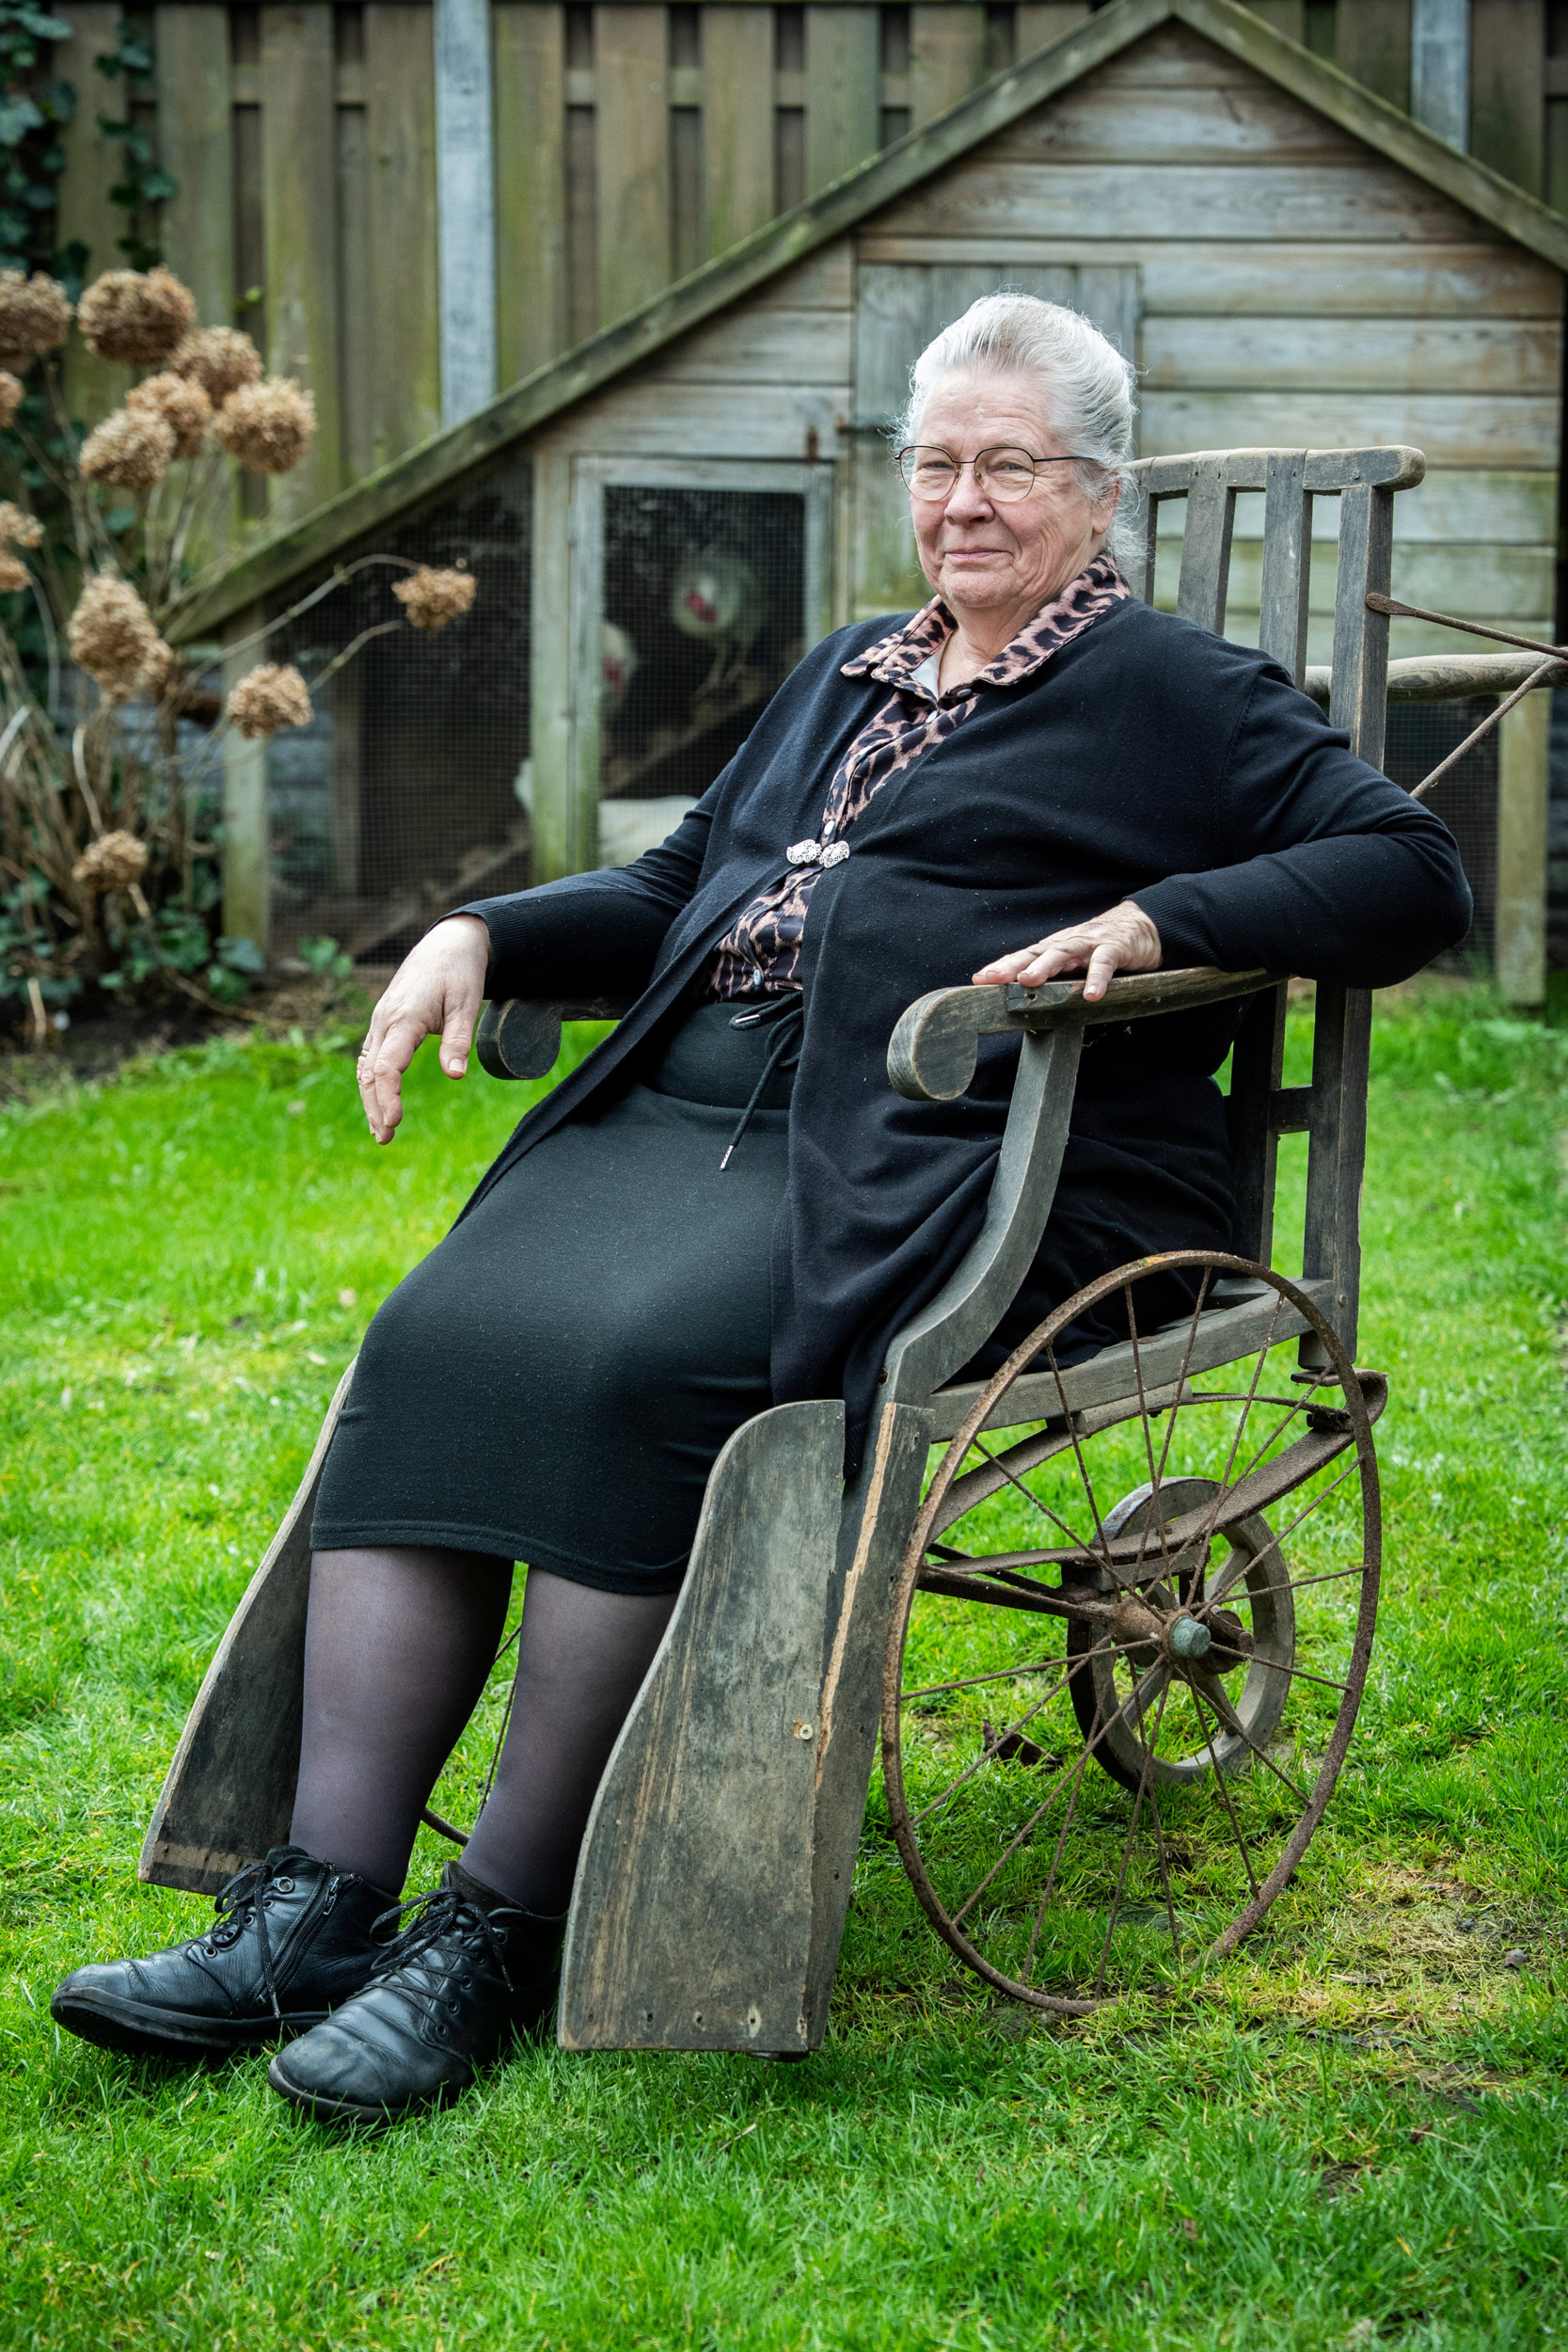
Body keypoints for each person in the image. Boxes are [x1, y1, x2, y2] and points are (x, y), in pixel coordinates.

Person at [52, 296, 1469, 2122]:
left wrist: (1166, 920)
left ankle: (498, 1922)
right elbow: (675, 886)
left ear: (1095, 493)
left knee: (647, 1363)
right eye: (935, 464)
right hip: (690, 1114)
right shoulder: (843, 672)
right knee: (438, 1332)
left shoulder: (1175, 692)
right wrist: (474, 932)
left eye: (1007, 466)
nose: (962, 502)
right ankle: (316, 1906)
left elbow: (1405, 865)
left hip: (950, 1145)